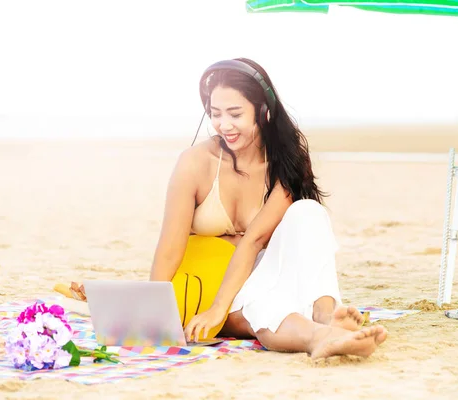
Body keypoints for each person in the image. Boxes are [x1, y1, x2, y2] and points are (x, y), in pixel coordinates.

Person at [149, 58, 387, 359]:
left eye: (235, 114)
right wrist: (149, 311)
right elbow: (169, 248)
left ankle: (325, 314)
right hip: (211, 286)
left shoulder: (286, 163)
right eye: (215, 114)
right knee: (261, 303)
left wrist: (219, 309)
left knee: (309, 212)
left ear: (264, 112)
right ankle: (320, 335)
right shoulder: (194, 162)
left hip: (262, 275)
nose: (224, 125)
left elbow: (255, 241)